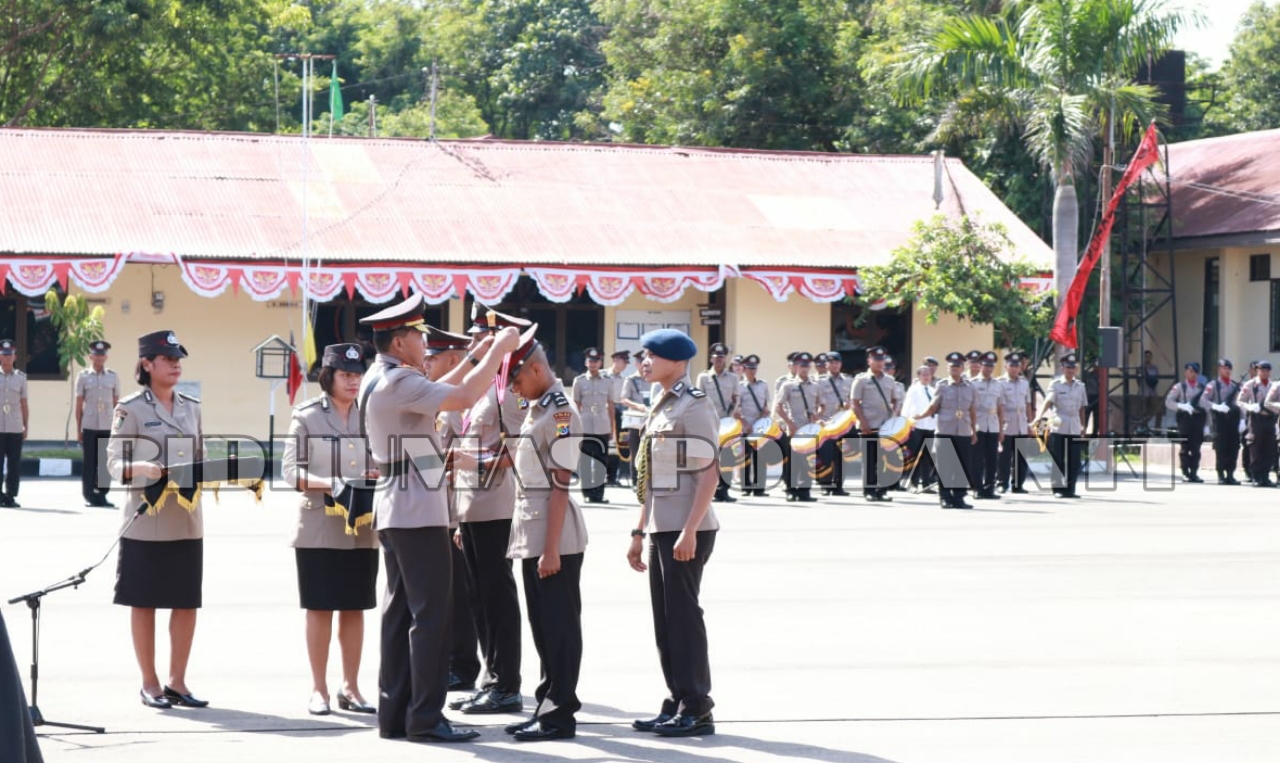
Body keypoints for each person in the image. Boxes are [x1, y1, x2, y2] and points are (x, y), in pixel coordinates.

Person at [358, 294, 518, 744]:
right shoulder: (399, 383)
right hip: (416, 510)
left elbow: (442, 389)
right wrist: (499, 351)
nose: (424, 345)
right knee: (432, 617)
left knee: (400, 614)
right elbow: (463, 395)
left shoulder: (385, 377)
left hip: (399, 505)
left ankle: (397, 715)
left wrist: (475, 354)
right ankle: (426, 717)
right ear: (400, 340)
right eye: (418, 336)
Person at [106, 330, 209, 710]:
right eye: (167, 359)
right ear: (147, 364)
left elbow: (199, 458)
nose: (176, 364)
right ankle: (149, 682)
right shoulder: (129, 409)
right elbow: (113, 464)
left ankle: (177, 681)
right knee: (144, 603)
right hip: (146, 522)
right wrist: (142, 468)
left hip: (185, 519)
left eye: (179, 358)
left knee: (185, 603)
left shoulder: (191, 406)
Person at [627, 328, 720, 738]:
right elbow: (652, 475)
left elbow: (709, 474)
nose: (643, 362)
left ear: (677, 362)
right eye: (642, 356)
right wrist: (638, 530)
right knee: (665, 622)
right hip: (662, 527)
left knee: (683, 618)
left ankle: (698, 706)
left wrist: (690, 531)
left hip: (687, 529)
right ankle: (677, 700)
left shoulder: (693, 406)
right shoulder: (660, 404)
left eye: (652, 356)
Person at [499, 325, 589, 741]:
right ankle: (546, 703)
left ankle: (559, 714)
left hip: (555, 538)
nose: (516, 387)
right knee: (542, 626)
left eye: (517, 379)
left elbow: (560, 484)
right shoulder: (539, 406)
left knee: (559, 627)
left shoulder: (561, 412)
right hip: (532, 533)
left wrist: (550, 549)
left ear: (535, 369)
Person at [282, 343, 379, 717]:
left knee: (355, 608)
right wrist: (333, 481)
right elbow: (291, 472)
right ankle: (319, 689)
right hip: (319, 526)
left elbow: (382, 460)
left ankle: (351, 687)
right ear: (329, 376)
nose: (354, 381)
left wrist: (376, 472)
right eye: (346, 375)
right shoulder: (307, 415)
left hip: (360, 527)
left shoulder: (370, 415)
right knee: (320, 608)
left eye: (358, 375)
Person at [449, 309, 527, 716]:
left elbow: (516, 448)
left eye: (483, 337)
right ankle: (490, 677)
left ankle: (507, 684)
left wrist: (468, 462)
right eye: (475, 336)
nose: (475, 343)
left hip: (496, 505)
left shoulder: (509, 389)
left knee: (497, 597)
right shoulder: (482, 386)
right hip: (472, 507)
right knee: (478, 598)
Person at [421, 328, 483, 698]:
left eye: (435, 357)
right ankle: (452, 662)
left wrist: (460, 518)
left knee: (460, 593)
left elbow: (467, 460)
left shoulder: (459, 405)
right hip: (433, 508)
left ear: (454, 361)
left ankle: (463, 666)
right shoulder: (432, 398)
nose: (427, 363)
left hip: (454, 510)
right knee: (442, 593)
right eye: (427, 356)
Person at [920, 352, 977, 509]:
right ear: (948, 368)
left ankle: (959, 497)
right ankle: (945, 497)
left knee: (962, 465)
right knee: (944, 466)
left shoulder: (970, 386)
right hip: (945, 430)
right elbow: (933, 406)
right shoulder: (942, 385)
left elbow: (972, 410)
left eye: (958, 366)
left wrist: (974, 430)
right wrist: (921, 416)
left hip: (963, 430)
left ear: (962, 368)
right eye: (952, 366)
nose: (955, 369)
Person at [850, 346, 901, 503]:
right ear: (869, 361)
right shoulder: (861, 380)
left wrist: (894, 414)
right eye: (876, 360)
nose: (880, 363)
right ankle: (869, 490)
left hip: (885, 427)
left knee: (883, 459)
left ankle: (881, 490)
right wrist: (863, 423)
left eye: (882, 360)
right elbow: (854, 403)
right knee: (869, 459)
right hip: (868, 426)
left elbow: (895, 400)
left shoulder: (890, 380)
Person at [1034, 353, 1088, 499]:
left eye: (1073, 367)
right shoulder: (1056, 384)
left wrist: (1083, 426)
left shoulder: (1080, 386)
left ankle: (1070, 489)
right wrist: (1039, 416)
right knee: (1058, 459)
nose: (1070, 370)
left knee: (1074, 460)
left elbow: (1082, 408)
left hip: (1075, 426)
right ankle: (1057, 488)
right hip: (1059, 425)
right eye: (1067, 367)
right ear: (1062, 368)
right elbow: (1048, 402)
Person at [772, 352, 823, 502]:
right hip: (794, 429)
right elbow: (779, 407)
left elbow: (823, 405)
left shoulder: (815, 385)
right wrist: (789, 423)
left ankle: (805, 491)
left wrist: (818, 416)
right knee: (793, 461)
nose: (804, 368)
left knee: (808, 461)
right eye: (801, 365)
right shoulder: (788, 385)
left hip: (809, 429)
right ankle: (791, 490)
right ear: (796, 366)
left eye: (807, 365)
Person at [76, 340, 121, 508]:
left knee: (104, 461)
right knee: (89, 462)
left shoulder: (113, 376)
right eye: (97, 354)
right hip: (89, 424)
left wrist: (118, 427)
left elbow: (118, 404)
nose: (99, 357)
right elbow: (79, 404)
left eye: (102, 354)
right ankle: (89, 495)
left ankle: (102, 494)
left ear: (106, 357)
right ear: (91, 356)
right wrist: (78, 429)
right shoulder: (83, 376)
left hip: (108, 425)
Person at [696, 342, 740, 503]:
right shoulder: (703, 377)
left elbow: (736, 397)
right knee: (711, 458)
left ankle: (724, 491)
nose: (719, 360)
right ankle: (710, 491)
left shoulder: (733, 378)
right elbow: (698, 399)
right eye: (716, 357)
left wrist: (734, 411)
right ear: (711, 359)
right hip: (709, 423)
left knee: (727, 457)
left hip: (727, 423)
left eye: (722, 357)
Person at [572, 348, 617, 504]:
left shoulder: (608, 381)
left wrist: (612, 428)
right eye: (590, 361)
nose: (593, 364)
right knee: (584, 461)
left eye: (596, 361)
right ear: (586, 362)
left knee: (600, 461)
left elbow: (611, 406)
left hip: (602, 426)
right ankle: (587, 493)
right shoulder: (579, 381)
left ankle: (598, 494)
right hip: (584, 426)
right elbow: (575, 406)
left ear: (600, 363)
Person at [816, 352, 854, 496]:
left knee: (841, 456)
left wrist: (849, 404)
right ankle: (826, 485)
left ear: (841, 364)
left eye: (837, 362)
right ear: (826, 365)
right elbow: (815, 401)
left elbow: (854, 399)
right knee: (826, 456)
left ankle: (838, 486)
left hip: (843, 423)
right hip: (827, 423)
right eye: (831, 363)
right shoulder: (819, 381)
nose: (834, 365)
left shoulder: (848, 380)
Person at [996, 352, 1034, 494]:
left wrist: (1030, 423)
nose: (1014, 368)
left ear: (1020, 368)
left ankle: (1018, 484)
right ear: (1006, 367)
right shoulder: (1000, 383)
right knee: (1004, 456)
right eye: (1011, 366)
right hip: (1007, 421)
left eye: (1017, 366)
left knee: (1021, 456)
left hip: (1021, 422)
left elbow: (1028, 404)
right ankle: (1002, 483)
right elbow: (998, 405)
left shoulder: (1024, 383)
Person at [1200, 358, 1242, 485]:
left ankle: (1230, 474)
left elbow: (1240, 403)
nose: (1227, 370)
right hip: (1220, 420)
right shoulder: (1213, 385)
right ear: (1219, 369)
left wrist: (1243, 420)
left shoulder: (1234, 385)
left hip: (1233, 420)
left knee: (1233, 447)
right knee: (1221, 447)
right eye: (1224, 368)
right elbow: (1203, 400)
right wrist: (1215, 406)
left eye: (1229, 368)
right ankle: (1221, 474)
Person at [1165, 362, 1207, 483]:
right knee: (1185, 447)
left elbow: (1206, 406)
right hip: (1184, 419)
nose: (1193, 374)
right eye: (1190, 371)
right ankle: (1185, 472)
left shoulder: (1201, 388)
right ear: (1185, 372)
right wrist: (1181, 406)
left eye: (1195, 372)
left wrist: (1207, 425)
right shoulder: (1179, 387)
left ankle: (1194, 473)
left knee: (1196, 447)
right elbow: (1168, 402)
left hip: (1198, 419)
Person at [737, 355, 773, 497]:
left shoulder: (763, 385)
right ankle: (746, 487)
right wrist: (744, 423)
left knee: (760, 458)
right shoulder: (739, 387)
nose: (753, 371)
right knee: (745, 458)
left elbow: (766, 404)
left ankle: (759, 488)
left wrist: (766, 410)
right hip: (745, 427)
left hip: (759, 427)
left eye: (754, 368)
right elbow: (736, 408)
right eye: (750, 369)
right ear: (744, 369)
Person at [1237, 361, 1277, 488]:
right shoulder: (1250, 385)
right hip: (1256, 419)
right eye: (1261, 370)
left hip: (1270, 419)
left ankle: (1265, 476)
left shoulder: (1274, 385)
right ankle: (1256, 476)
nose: (1264, 372)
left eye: (1267, 370)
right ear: (1257, 370)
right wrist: (1249, 407)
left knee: (1269, 448)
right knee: (1256, 448)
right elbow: (1239, 401)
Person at [901, 364, 937, 493]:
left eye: (928, 374)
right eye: (924, 374)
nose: (926, 377)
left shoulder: (933, 391)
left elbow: (935, 410)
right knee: (916, 455)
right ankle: (914, 483)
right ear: (919, 376)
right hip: (916, 426)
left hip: (930, 426)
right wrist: (905, 423)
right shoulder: (913, 390)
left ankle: (926, 483)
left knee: (927, 455)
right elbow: (906, 407)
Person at [0, 339, 28, 508]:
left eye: (10, 354)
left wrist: (26, 426)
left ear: (15, 356)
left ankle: (11, 495)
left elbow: (24, 403)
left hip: (15, 426)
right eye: (4, 354)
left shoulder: (21, 378)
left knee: (14, 464)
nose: (7, 357)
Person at [970, 352, 1002, 500]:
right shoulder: (973, 383)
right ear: (981, 366)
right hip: (978, 425)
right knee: (977, 459)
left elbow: (1000, 408)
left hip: (993, 425)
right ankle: (977, 488)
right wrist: (971, 428)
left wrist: (1001, 429)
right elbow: (970, 407)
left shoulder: (998, 385)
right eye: (986, 365)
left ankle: (989, 489)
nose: (988, 369)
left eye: (991, 366)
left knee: (992, 459)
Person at [619, 350, 651, 486]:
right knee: (636, 450)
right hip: (636, 421)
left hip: (651, 420)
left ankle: (648, 480)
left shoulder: (653, 379)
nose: (644, 365)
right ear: (637, 364)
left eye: (645, 362)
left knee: (650, 451)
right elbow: (623, 399)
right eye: (641, 362)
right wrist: (638, 406)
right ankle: (635, 481)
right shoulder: (631, 379)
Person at [605, 350, 632, 486]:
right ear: (616, 360)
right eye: (623, 362)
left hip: (619, 414)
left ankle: (612, 478)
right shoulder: (603, 376)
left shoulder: (623, 380)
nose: (625, 366)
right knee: (603, 445)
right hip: (604, 414)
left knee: (618, 446)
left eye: (626, 363)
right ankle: (601, 476)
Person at [1143, 350, 1162, 430]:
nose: (1148, 358)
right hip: (1144, 391)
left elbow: (1156, 378)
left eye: (1149, 356)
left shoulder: (1154, 368)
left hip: (1153, 391)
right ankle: (1144, 426)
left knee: (1159, 409)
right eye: (1146, 356)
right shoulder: (1141, 368)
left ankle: (1157, 428)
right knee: (1144, 411)